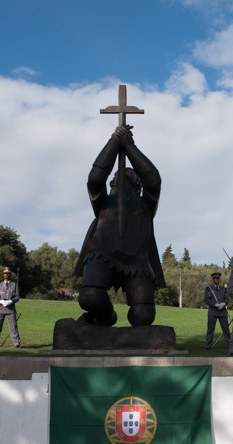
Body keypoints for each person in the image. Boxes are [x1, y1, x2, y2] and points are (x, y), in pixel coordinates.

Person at [73, 124, 165, 327]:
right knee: (90, 298)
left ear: (138, 185)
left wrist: (129, 145)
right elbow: (95, 178)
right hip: (102, 254)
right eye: (116, 175)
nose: (121, 175)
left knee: (143, 317)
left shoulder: (145, 204)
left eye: (130, 173)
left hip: (137, 261)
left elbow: (154, 180)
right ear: (111, 182)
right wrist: (115, 140)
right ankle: (108, 317)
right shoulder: (104, 202)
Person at [0, 266, 21, 349]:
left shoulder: (14, 284)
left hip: (10, 308)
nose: (7, 275)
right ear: (3, 274)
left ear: (10, 274)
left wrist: (11, 301)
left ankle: (17, 344)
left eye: (8, 273)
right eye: (5, 273)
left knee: (13, 327)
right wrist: (0, 301)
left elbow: (17, 296)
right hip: (0, 308)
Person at [203, 272, 230, 350]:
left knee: (226, 329)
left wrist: (224, 303)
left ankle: (231, 346)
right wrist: (214, 304)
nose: (217, 279)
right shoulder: (208, 289)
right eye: (215, 278)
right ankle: (207, 347)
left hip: (223, 312)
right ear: (213, 279)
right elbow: (206, 299)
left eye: (218, 278)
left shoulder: (224, 289)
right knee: (210, 329)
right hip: (213, 311)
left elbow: (227, 298)